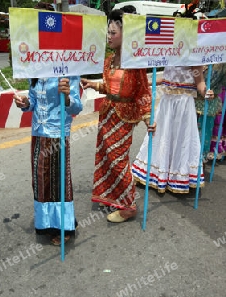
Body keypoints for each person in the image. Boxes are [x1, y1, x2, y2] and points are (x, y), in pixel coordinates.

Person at [81, 9, 156, 223]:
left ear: (125, 33)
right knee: (106, 157)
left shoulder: (135, 63)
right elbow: (110, 87)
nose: (109, 37)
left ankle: (128, 206)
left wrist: (149, 119)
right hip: (107, 116)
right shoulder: (109, 60)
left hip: (124, 118)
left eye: (113, 33)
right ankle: (112, 195)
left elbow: (142, 92)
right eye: (108, 33)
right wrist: (92, 84)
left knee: (118, 159)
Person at [13, 77, 82, 245]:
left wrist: (66, 97)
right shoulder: (36, 70)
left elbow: (77, 107)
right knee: (41, 181)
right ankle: (46, 223)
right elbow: (33, 101)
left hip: (57, 133)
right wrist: (25, 102)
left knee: (58, 182)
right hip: (38, 132)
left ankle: (63, 226)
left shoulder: (68, 72)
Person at [132, 64, 214, 193]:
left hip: (184, 104)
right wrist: (148, 83)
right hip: (166, 102)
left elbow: (200, 83)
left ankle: (177, 176)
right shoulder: (170, 54)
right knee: (161, 135)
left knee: (181, 139)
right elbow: (167, 79)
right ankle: (156, 173)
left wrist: (206, 92)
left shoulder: (193, 58)